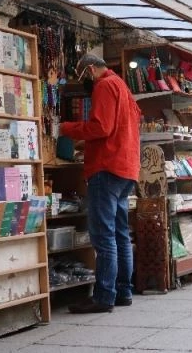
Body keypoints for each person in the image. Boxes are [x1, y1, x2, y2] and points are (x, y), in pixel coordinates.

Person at [59, 54, 141, 314]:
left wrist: (68, 129)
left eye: (84, 77)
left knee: (104, 235)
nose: (85, 83)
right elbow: (116, 128)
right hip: (126, 168)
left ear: (91, 69)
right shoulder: (123, 88)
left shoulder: (104, 85)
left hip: (107, 168)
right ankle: (123, 292)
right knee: (120, 234)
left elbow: (101, 127)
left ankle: (104, 296)